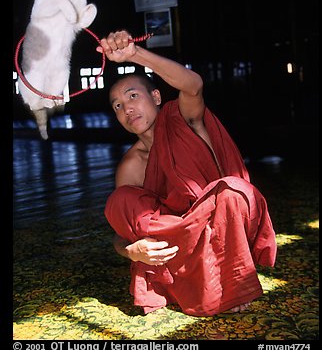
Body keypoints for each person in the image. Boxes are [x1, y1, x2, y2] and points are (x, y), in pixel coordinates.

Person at [97, 30, 277, 316]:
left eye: (133, 96)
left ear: (156, 96)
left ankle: (229, 284)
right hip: (178, 248)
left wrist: (134, 54)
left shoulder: (184, 120)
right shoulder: (131, 165)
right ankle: (193, 282)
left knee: (231, 190)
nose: (127, 108)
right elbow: (123, 232)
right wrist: (131, 251)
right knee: (121, 200)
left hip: (223, 228)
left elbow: (193, 85)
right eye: (118, 106)